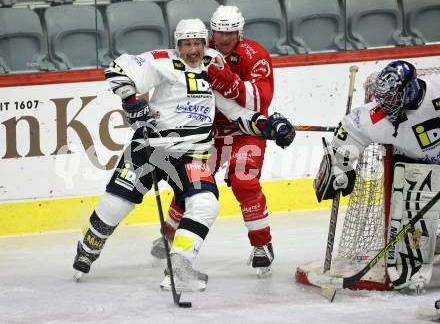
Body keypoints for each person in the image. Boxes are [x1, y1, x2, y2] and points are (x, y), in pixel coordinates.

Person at [72, 18, 295, 292]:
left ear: (205, 44)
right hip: (149, 149)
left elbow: (237, 113)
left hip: (191, 155)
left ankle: (179, 266)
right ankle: (89, 246)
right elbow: (117, 70)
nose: (193, 50)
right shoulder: (162, 61)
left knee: (206, 204)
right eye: (186, 44)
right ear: (177, 45)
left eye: (198, 43)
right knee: (117, 203)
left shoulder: (213, 69)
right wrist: (132, 101)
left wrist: (268, 125)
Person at [150, 5, 277, 278]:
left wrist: (225, 80)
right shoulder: (200, 50)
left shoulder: (255, 56)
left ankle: (262, 245)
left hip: (245, 130)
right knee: (194, 183)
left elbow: (259, 100)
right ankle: (169, 234)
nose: (223, 38)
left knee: (244, 180)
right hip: (209, 132)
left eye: (229, 33)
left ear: (239, 32)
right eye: (218, 32)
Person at [314, 60, 440, 293]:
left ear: (409, 88)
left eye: (391, 97)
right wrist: (339, 167)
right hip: (418, 171)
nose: (384, 103)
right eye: (383, 97)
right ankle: (412, 270)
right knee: (412, 234)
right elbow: (351, 127)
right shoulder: (378, 115)